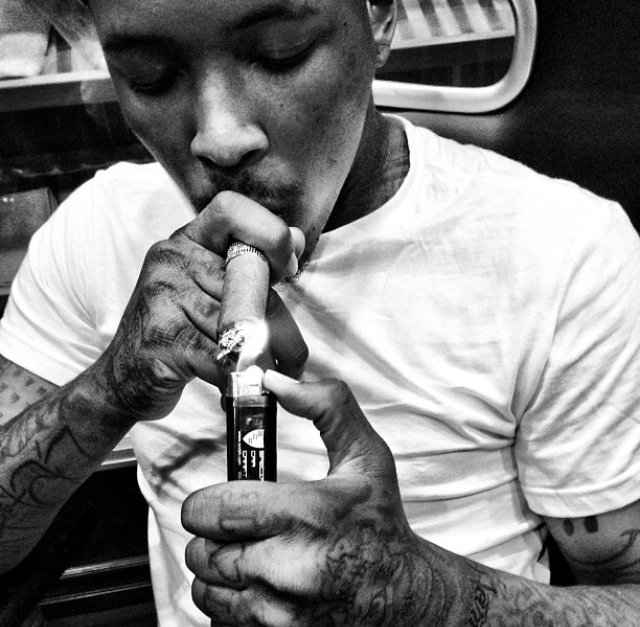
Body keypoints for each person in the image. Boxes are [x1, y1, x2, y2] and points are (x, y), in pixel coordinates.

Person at [1, 0, 640, 624]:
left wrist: (433, 597)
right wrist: (108, 389)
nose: (220, 139)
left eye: (281, 54)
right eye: (150, 77)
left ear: (379, 17)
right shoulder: (99, 227)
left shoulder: (563, 250)